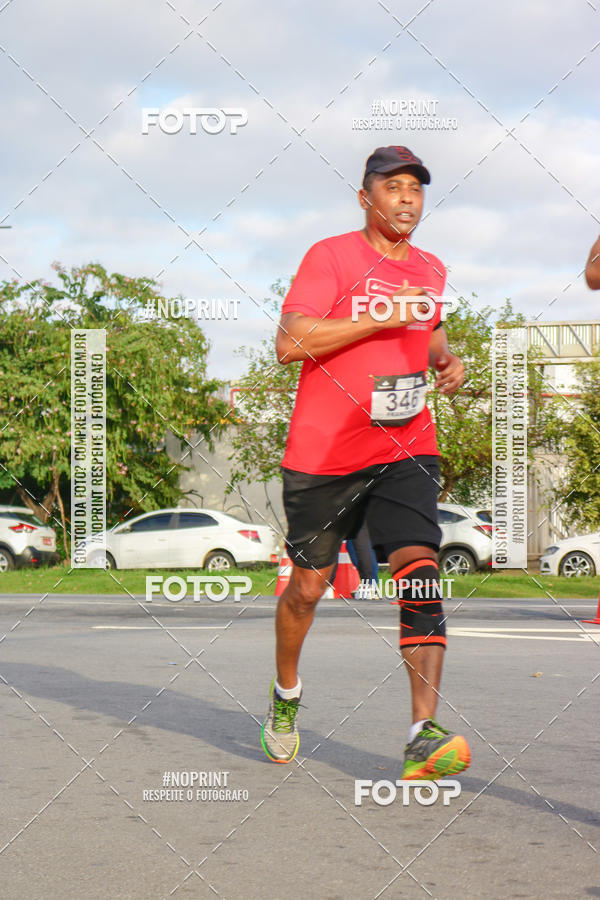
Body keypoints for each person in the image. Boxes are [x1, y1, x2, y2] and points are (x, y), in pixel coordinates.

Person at [260, 146, 471, 781]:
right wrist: (379, 316)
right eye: (393, 186)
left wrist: (446, 359)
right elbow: (289, 342)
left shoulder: (431, 268)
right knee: (308, 587)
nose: (407, 197)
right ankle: (286, 693)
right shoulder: (330, 257)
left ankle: (421, 733)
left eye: (416, 188)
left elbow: (428, 330)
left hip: (406, 443)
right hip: (326, 452)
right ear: (365, 197)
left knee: (421, 568)